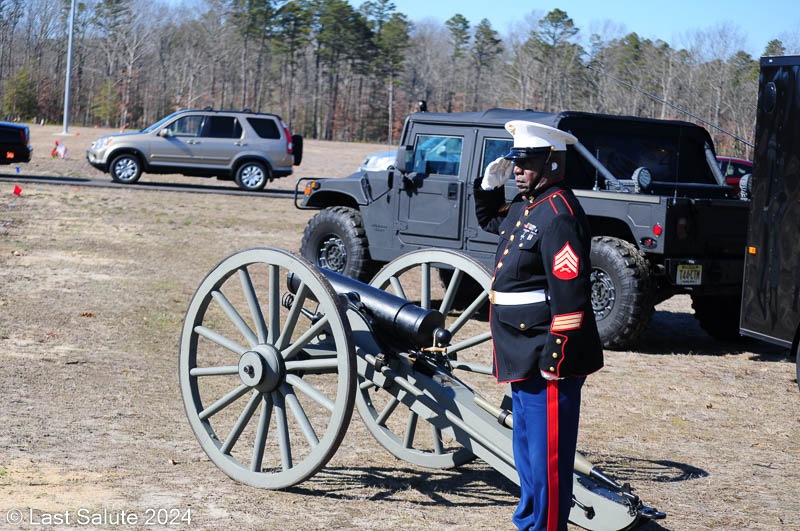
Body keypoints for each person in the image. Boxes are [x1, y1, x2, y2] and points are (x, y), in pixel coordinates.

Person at [474, 120, 604, 530]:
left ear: (552, 164)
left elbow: (571, 297)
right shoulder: (528, 205)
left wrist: (554, 358)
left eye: (526, 162)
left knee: (547, 459)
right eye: (515, 161)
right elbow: (491, 222)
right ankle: (528, 521)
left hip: (544, 355)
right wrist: (488, 187)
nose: (517, 169)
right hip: (520, 347)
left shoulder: (559, 215)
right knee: (528, 453)